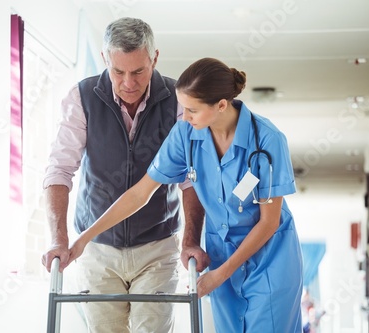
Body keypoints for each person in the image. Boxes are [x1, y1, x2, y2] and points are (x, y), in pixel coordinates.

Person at [67, 57, 304, 332]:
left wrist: (219, 275)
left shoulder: (267, 140)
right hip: (222, 251)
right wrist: (84, 238)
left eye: (191, 110)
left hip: (269, 257)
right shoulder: (185, 135)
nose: (185, 117)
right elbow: (140, 193)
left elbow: (268, 222)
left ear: (221, 106)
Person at [41, 17, 206, 333]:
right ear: (105, 59)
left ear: (154, 58)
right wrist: (59, 239)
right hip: (97, 249)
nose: (128, 82)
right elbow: (59, 171)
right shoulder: (82, 98)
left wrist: (190, 241)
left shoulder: (177, 102)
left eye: (138, 71)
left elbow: (190, 179)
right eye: (118, 72)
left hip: (157, 246)